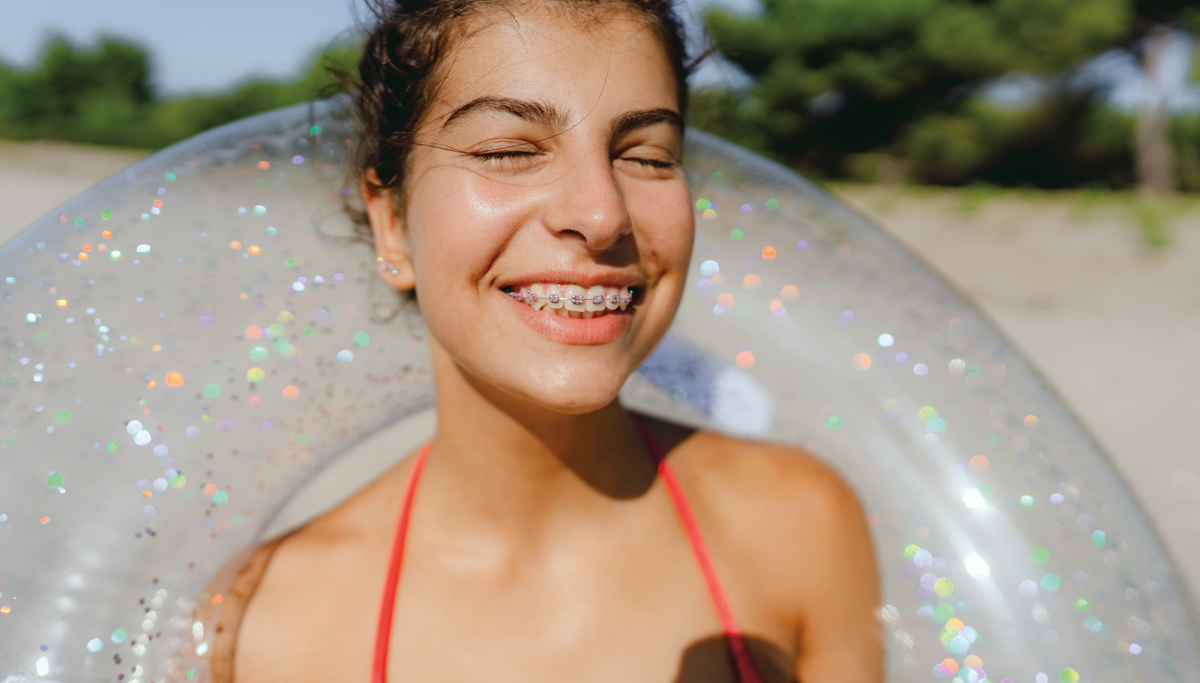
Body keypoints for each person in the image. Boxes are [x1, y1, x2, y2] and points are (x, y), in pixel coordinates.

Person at [206, 1, 881, 681]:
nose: (601, 212)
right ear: (392, 222)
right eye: (507, 152)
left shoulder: (799, 524)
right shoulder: (272, 619)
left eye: (646, 156)